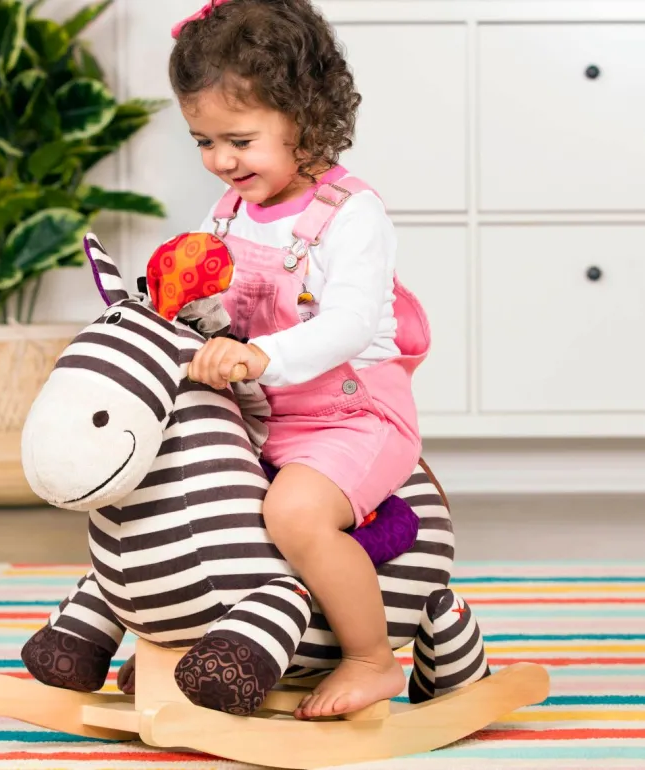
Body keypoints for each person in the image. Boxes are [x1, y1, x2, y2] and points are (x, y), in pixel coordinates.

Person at [169, 0, 430, 720]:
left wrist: (256, 355)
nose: (221, 161)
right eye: (203, 141)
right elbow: (201, 295)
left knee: (292, 513)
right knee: (188, 497)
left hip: (352, 417)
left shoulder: (352, 213)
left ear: (305, 116)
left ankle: (371, 658)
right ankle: (182, 635)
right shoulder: (226, 212)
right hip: (264, 415)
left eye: (239, 140)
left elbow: (347, 325)